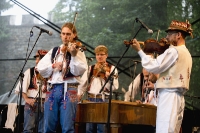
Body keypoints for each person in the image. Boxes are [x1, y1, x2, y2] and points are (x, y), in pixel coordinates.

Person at [130, 20, 193, 133]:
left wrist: (139, 50)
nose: (167, 37)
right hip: (178, 97)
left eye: (170, 34)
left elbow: (154, 65)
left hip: (169, 95)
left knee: (164, 129)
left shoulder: (174, 51)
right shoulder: (186, 52)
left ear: (178, 35)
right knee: (172, 130)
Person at [36, 22, 87, 133]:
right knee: (48, 127)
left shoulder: (78, 51)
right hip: (52, 89)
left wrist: (73, 56)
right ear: (60, 35)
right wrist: (53, 65)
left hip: (69, 89)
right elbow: (40, 67)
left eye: (68, 34)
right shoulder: (55, 51)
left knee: (67, 127)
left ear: (74, 35)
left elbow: (79, 70)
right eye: (63, 33)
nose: (66, 36)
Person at [78, 45, 119, 133]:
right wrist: (79, 94)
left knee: (101, 128)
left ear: (106, 55)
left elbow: (115, 87)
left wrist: (107, 78)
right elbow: (83, 83)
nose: (99, 56)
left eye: (102, 54)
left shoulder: (112, 69)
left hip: (103, 100)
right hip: (91, 99)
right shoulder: (91, 68)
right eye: (97, 54)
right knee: (89, 128)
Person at [15, 49, 48, 133]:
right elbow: (21, 88)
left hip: (46, 103)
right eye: (36, 58)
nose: (37, 60)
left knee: (43, 130)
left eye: (39, 58)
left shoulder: (50, 73)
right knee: (28, 129)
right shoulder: (29, 71)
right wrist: (26, 99)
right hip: (31, 103)